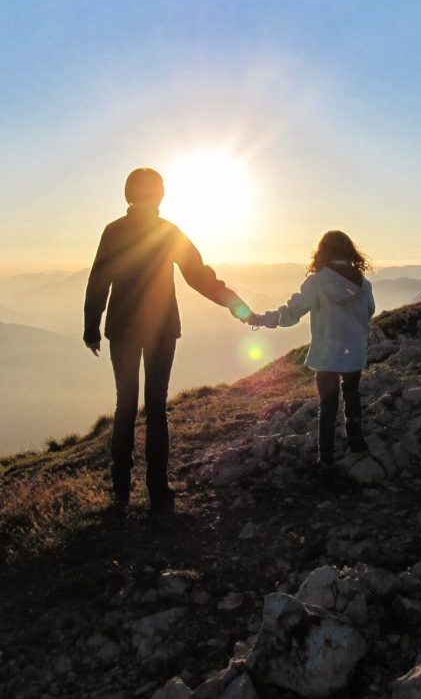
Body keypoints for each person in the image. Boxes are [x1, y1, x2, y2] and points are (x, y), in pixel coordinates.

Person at [84, 168, 250, 513]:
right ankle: (158, 491)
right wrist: (233, 302)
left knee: (126, 406)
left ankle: (121, 490)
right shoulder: (167, 231)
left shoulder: (114, 231)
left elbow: (99, 279)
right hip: (161, 329)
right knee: (156, 407)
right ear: (160, 195)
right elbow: (198, 275)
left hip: (123, 329)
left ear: (128, 194)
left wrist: (92, 326)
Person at [243, 230, 375, 477]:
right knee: (352, 395)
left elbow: (291, 314)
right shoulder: (363, 283)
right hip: (354, 352)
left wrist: (259, 319)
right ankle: (357, 442)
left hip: (327, 354)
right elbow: (369, 311)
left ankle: (326, 458)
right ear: (350, 251)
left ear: (323, 252)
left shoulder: (317, 283)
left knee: (328, 405)